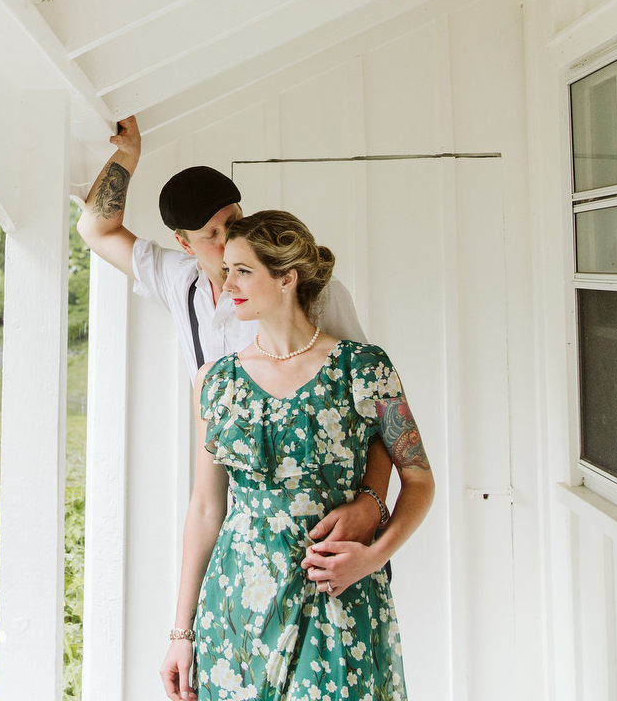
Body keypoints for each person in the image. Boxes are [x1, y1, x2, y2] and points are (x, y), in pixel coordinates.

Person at [77, 115, 395, 553]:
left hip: (329, 517)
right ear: (184, 245)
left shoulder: (313, 291)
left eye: (234, 221)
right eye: (210, 235)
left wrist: (371, 504)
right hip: (239, 512)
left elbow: (375, 411)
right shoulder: (178, 280)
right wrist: (128, 156)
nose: (228, 241)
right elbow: (96, 229)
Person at [158, 210, 436, 701]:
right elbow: (205, 508)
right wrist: (181, 634)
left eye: (243, 270)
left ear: (287, 278)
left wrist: (372, 558)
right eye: (227, 270)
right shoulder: (216, 381)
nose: (228, 283)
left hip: (336, 596)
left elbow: (419, 480)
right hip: (238, 603)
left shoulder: (364, 368)